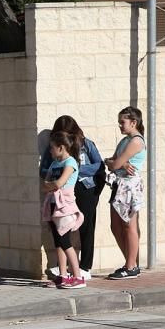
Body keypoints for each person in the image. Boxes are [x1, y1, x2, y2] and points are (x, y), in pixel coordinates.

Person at [41, 116, 105, 280]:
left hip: (85, 188)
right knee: (61, 232)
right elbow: (44, 170)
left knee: (86, 227)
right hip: (60, 196)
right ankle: (62, 269)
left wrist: (75, 171)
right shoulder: (54, 148)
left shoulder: (86, 144)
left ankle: (84, 268)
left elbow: (99, 166)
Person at [105, 106, 146, 280]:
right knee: (116, 226)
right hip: (119, 184)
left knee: (129, 225)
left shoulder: (136, 141)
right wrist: (116, 163)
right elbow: (111, 161)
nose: (120, 126)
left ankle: (131, 266)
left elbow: (113, 164)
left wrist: (115, 163)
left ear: (133, 122)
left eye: (123, 122)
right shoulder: (124, 141)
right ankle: (129, 262)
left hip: (129, 186)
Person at [41, 131, 85, 289]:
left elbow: (59, 183)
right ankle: (63, 276)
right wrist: (50, 185)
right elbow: (45, 183)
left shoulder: (70, 163)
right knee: (58, 242)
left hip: (64, 206)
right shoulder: (54, 164)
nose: (50, 151)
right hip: (53, 204)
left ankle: (78, 277)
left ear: (61, 147)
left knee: (66, 242)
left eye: (52, 148)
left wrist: (51, 185)